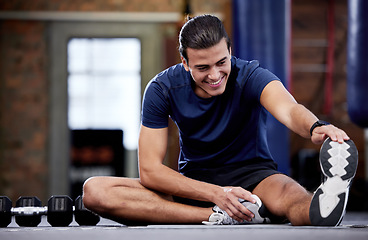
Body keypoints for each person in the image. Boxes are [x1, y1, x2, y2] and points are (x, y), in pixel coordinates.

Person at [82, 14, 358, 226]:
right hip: (195, 184)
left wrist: (315, 127)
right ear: (184, 62)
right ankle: (217, 215)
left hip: (254, 177)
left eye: (221, 62)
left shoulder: (249, 75)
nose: (214, 75)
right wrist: (216, 196)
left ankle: (325, 202)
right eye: (202, 67)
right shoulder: (162, 88)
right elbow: (150, 171)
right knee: (95, 191)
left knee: (291, 197)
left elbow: (288, 109)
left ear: (229, 50)